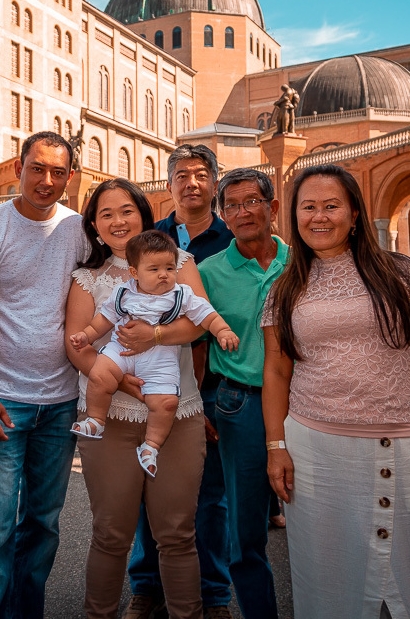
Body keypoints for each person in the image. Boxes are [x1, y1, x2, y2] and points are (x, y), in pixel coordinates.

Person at [261, 163, 410, 619]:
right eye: (308, 207)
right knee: (327, 579)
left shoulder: (399, 273)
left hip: (402, 442)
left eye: (331, 206)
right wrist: (276, 447)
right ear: (294, 217)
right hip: (314, 450)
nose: (319, 216)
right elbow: (275, 371)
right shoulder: (285, 287)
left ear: (354, 214)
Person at [66, 178, 216, 619]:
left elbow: (199, 321)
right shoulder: (87, 278)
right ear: (94, 225)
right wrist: (120, 382)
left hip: (176, 414)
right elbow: (77, 346)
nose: (118, 221)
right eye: (106, 213)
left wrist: (155, 335)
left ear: (143, 215)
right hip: (110, 417)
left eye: (127, 210)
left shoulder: (177, 262)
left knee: (177, 534)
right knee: (111, 534)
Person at [0, 131, 87, 619]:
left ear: (70, 178)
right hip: (3, 401)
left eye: (58, 172)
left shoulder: (79, 229)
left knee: (43, 525)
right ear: (18, 168)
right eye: (37, 168)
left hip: (60, 403)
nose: (46, 180)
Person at [129, 144, 234, 619]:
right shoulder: (151, 239)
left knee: (208, 496)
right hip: (154, 385)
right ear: (168, 184)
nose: (191, 183)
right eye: (182, 175)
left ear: (214, 182)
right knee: (146, 489)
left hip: (212, 388)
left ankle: (214, 595)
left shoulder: (230, 238)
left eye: (200, 174)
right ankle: (146, 586)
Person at [197, 168, 290, 618]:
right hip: (241, 404)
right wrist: (195, 404)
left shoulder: (304, 261)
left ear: (273, 207)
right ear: (223, 217)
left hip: (309, 402)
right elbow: (196, 343)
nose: (242, 212)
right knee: (246, 527)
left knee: (322, 515)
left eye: (252, 201)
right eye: (231, 205)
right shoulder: (208, 273)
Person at [71, 230, 237, 477]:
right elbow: (103, 320)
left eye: (170, 268)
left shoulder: (181, 295)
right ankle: (96, 420)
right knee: (100, 374)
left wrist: (223, 330)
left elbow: (207, 315)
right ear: (135, 272)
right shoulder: (124, 292)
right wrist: (86, 336)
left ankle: (151, 446)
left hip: (160, 359)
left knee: (167, 403)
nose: (164, 275)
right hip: (122, 349)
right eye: (154, 269)